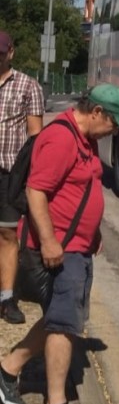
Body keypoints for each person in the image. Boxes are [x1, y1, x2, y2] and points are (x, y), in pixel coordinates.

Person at [0, 83, 119, 404]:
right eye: (114, 124)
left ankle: (8, 369)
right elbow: (36, 191)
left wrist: (94, 233)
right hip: (60, 248)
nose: (114, 132)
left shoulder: (84, 138)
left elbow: (82, 189)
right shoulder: (61, 139)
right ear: (97, 113)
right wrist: (49, 241)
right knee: (63, 324)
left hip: (76, 247)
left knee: (62, 319)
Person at [0, 30, 44, 324]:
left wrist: (32, 180)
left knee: (6, 235)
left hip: (9, 174)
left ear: (11, 52)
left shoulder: (29, 86)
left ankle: (6, 299)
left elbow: (36, 138)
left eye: (0, 54)